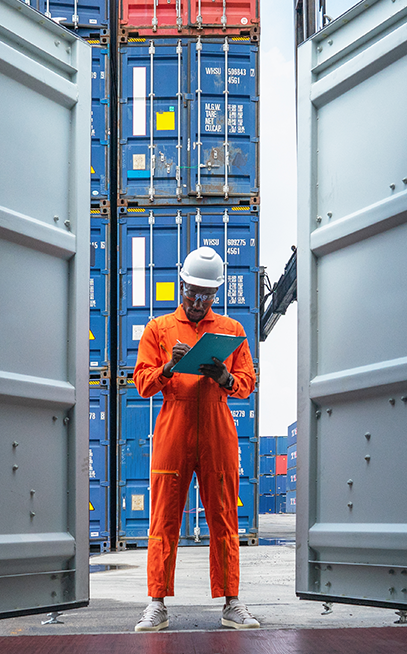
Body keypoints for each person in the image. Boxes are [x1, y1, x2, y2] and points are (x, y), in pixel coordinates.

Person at [132, 246, 260, 632]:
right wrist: (169, 366)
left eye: (206, 295)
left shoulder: (232, 331)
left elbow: (248, 382)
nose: (198, 301)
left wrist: (225, 378)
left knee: (224, 518)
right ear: (181, 284)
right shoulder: (159, 329)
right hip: (174, 425)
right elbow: (141, 382)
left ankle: (231, 602)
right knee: (164, 518)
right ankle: (156, 603)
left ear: (216, 294)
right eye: (192, 293)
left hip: (218, 429)